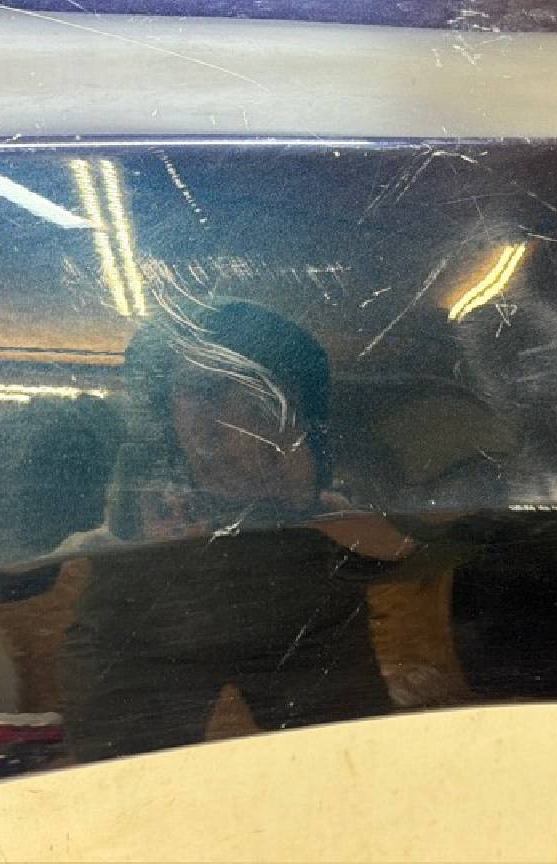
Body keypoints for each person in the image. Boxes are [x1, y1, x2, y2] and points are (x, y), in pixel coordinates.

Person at [60, 300, 409, 761]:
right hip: (143, 632)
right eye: (204, 389)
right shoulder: (133, 460)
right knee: (121, 782)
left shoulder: (330, 450)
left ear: (291, 398)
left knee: (353, 766)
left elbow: (402, 551)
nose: (231, 414)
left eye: (255, 390)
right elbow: (48, 557)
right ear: (168, 401)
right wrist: (150, 539)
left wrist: (309, 505)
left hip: (304, 621)